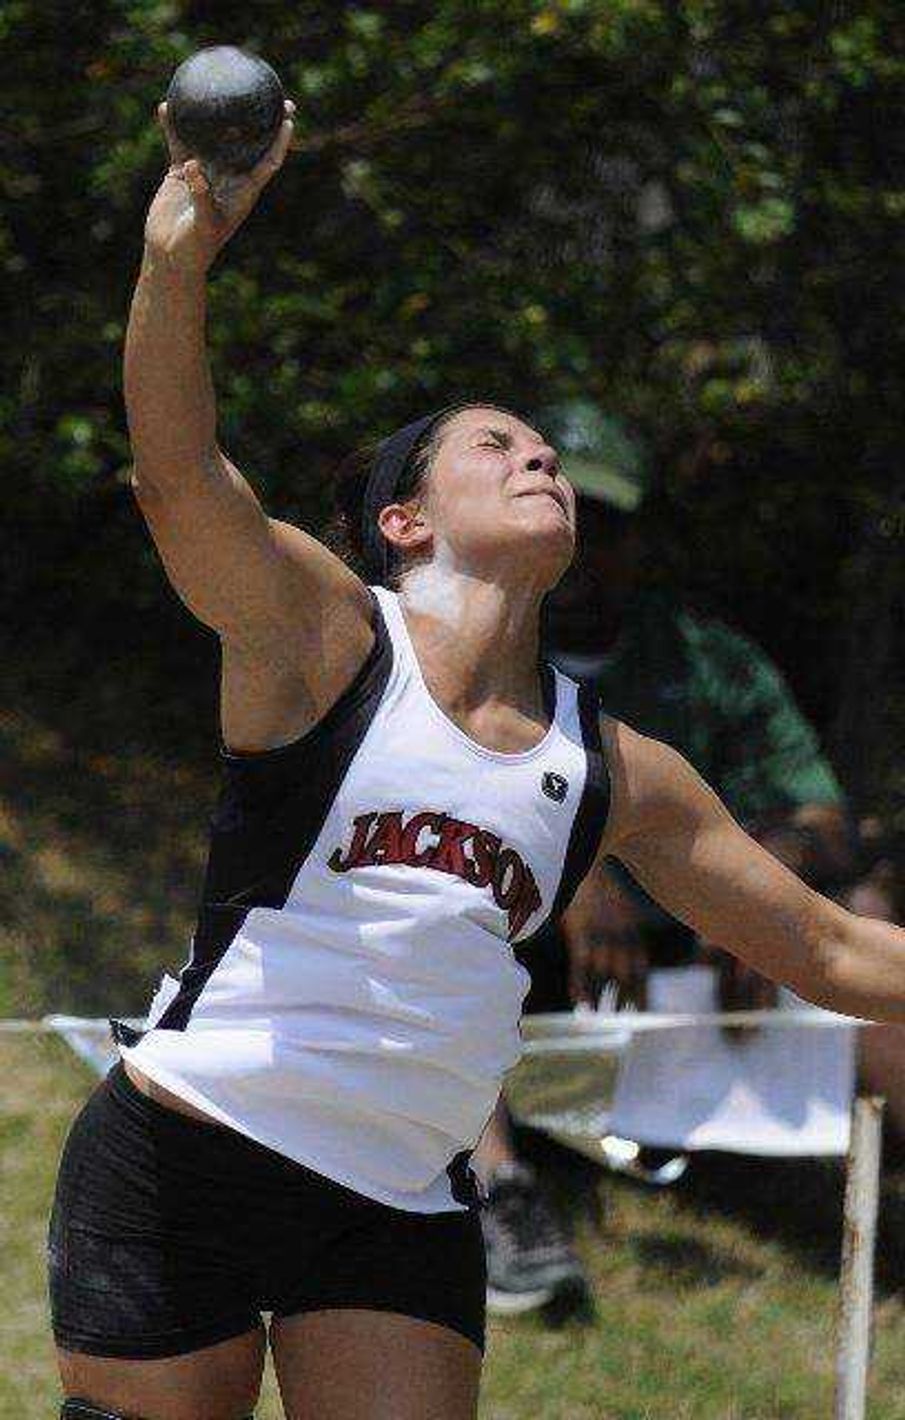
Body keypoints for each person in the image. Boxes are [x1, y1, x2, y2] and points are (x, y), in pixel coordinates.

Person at [47, 105, 905, 1420]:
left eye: (544, 448)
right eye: (494, 445)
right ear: (403, 519)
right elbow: (178, 478)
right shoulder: (321, 636)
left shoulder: (619, 765)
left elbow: (836, 957)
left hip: (395, 1196)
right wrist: (177, 262)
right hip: (194, 1151)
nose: (539, 456)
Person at [475, 401, 856, 1317]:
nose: (577, 546)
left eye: (603, 527)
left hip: (689, 955)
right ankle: (495, 1192)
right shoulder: (465, 646)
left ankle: (849, 1192)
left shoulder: (702, 656)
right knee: (435, 930)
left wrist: (750, 897)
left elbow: (821, 814)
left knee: (862, 919)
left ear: (636, 542)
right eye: (560, 515)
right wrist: (577, 877)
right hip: (525, 948)